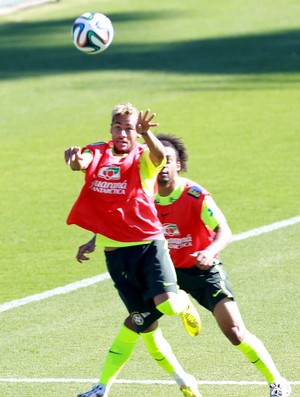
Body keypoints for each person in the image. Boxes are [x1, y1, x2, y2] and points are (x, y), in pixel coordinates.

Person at [78, 133, 292, 397]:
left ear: (178, 165)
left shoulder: (195, 195)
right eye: (161, 161)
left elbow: (224, 229)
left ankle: (277, 382)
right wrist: (93, 240)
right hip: (162, 271)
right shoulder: (142, 194)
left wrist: (211, 251)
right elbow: (118, 222)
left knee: (235, 332)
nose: (164, 166)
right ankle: (102, 387)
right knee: (138, 324)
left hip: (201, 270)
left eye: (170, 161)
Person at [64, 104, 202, 397]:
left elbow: (160, 156)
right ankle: (178, 381)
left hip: (148, 244)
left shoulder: (142, 157)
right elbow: (83, 162)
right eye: (118, 127)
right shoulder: (99, 152)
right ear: (111, 128)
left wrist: (146, 135)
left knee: (166, 305)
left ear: (136, 132)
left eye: (129, 128)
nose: (123, 133)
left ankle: (183, 301)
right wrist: (75, 161)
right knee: (144, 327)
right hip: (115, 253)